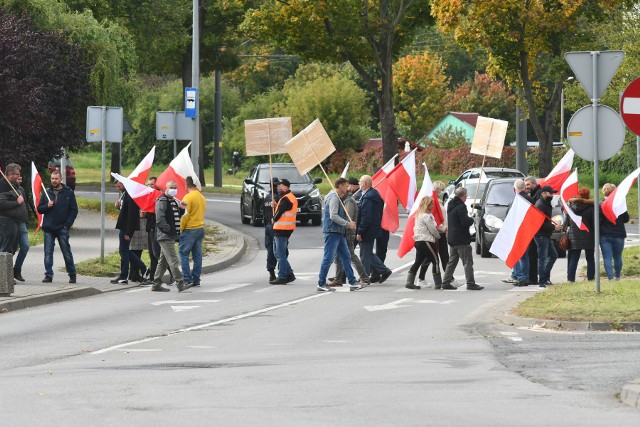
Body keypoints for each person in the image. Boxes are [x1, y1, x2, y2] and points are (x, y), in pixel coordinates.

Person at [317, 178, 365, 292]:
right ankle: (321, 283)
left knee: (346, 256)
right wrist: (348, 224)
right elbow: (333, 216)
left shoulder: (335, 196)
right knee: (328, 258)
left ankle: (352, 281)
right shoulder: (334, 198)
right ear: (341, 186)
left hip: (338, 232)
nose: (348, 188)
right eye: (346, 186)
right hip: (332, 232)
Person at [37, 170, 78, 283]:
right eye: (52, 179)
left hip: (62, 227)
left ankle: (72, 274)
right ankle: (48, 274)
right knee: (48, 252)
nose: (54, 181)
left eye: (56, 178)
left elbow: (74, 210)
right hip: (49, 227)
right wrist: (47, 206)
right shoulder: (47, 192)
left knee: (66, 252)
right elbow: (39, 209)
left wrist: (67, 224)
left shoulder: (68, 192)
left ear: (61, 179)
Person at [150, 180, 191, 292]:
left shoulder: (173, 201)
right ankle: (180, 284)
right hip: (165, 236)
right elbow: (159, 219)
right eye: (171, 187)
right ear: (165, 188)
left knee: (163, 262)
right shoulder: (162, 200)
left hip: (171, 235)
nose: (174, 189)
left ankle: (156, 284)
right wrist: (168, 230)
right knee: (174, 260)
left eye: (175, 187)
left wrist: (181, 209)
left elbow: (175, 217)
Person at [441, 187, 483, 290]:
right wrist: (471, 219)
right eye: (465, 196)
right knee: (467, 262)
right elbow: (465, 222)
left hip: (452, 237)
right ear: (463, 196)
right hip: (461, 239)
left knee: (452, 262)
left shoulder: (450, 204)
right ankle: (470, 283)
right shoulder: (461, 207)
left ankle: (445, 282)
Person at [356, 175, 392, 284]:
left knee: (364, 255)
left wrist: (360, 231)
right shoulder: (371, 195)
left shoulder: (368, 198)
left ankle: (365, 277)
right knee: (368, 253)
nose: (359, 183)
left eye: (360, 182)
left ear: (365, 184)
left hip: (367, 230)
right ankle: (383, 271)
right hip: (371, 229)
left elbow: (366, 217)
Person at [111, 180, 147, 285]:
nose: (118, 188)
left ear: (124, 184)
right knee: (125, 250)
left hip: (126, 228)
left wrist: (129, 232)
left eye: (119, 186)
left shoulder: (131, 195)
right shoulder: (126, 194)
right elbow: (126, 211)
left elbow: (132, 215)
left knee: (124, 252)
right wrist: (119, 207)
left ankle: (124, 276)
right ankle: (143, 268)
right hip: (124, 226)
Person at [405, 196, 446, 290]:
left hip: (418, 241)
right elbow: (433, 229)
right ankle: (438, 283)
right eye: (431, 204)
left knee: (418, 261)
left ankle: (409, 282)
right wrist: (438, 237)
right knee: (435, 260)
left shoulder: (419, 215)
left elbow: (434, 226)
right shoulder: (426, 216)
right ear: (427, 205)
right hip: (426, 241)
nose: (432, 206)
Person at [502, 179, 534, 287]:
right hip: (526, 231)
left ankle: (520, 276)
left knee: (515, 254)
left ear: (514, 188)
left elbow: (509, 216)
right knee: (524, 255)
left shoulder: (515, 200)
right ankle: (520, 275)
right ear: (524, 188)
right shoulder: (530, 199)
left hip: (516, 231)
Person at [418, 180, 449, 288]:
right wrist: (443, 228)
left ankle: (448, 277)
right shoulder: (433, 202)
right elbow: (434, 219)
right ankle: (422, 278)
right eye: (440, 190)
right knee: (432, 257)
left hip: (441, 230)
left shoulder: (438, 201)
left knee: (442, 255)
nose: (441, 192)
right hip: (437, 232)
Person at [269, 178, 298, 285]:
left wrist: (274, 218)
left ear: (286, 186)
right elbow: (284, 209)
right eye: (277, 186)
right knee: (278, 252)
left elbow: (281, 212)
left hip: (282, 229)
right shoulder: (287, 198)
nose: (278, 187)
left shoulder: (286, 199)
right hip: (285, 229)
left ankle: (283, 276)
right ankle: (289, 273)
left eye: (280, 186)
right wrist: (276, 206)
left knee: (280, 254)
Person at [179, 176, 206, 286]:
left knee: (183, 253)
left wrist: (181, 229)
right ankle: (196, 279)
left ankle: (187, 279)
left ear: (186, 185)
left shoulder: (188, 197)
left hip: (189, 229)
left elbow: (185, 215)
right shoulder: (201, 197)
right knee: (197, 255)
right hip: (200, 228)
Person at [600, 183, 629, 281]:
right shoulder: (620, 204)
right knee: (617, 256)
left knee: (607, 257)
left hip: (604, 235)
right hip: (619, 234)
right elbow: (626, 219)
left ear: (604, 191)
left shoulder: (601, 204)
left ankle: (610, 278)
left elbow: (598, 221)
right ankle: (618, 276)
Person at [534, 185, 562, 288]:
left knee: (553, 255)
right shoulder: (540, 204)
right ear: (543, 193)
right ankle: (542, 281)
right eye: (550, 193)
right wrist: (553, 227)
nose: (552, 195)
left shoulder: (546, 203)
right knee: (543, 258)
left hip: (545, 235)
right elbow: (539, 223)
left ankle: (545, 277)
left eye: (553, 193)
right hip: (541, 235)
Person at [566, 187, 595, 282]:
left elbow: (567, 222)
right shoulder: (591, 208)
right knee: (590, 258)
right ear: (588, 195)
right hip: (588, 236)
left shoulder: (571, 207)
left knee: (573, 259)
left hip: (574, 236)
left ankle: (571, 279)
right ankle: (590, 278)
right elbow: (594, 223)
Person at [0, 163, 26, 255]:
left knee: (11, 249)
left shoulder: (12, 185)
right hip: (6, 221)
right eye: (17, 174)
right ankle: (3, 269)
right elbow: (1, 203)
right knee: (5, 249)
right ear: (10, 175)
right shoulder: (3, 185)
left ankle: (7, 268)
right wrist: (17, 202)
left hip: (14, 221)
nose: (19, 176)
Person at [13, 174, 34, 282]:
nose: (20, 180)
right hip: (10, 223)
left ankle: (17, 269)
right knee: (10, 249)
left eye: (21, 178)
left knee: (25, 246)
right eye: (18, 178)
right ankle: (5, 272)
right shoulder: (6, 189)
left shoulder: (21, 189)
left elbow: (25, 204)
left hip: (22, 222)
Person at [142, 177, 160, 284]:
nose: (149, 187)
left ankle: (173, 275)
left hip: (156, 229)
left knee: (157, 254)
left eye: (152, 184)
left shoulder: (159, 197)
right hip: (150, 228)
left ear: (157, 185)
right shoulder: (149, 196)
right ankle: (153, 277)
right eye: (148, 185)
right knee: (152, 255)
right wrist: (145, 214)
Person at [264, 176, 281, 282]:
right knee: (280, 250)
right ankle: (283, 271)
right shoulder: (278, 199)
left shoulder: (266, 197)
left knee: (270, 250)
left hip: (267, 226)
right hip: (277, 226)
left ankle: (271, 272)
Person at [524, 176, 539, 283]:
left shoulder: (537, 196)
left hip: (536, 230)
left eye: (528, 184)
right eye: (525, 185)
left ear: (534, 184)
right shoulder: (533, 194)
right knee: (532, 255)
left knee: (533, 255)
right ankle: (533, 277)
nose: (527, 187)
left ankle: (534, 278)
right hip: (533, 229)